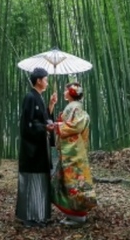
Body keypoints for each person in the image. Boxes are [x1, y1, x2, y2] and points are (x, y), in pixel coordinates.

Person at [16, 67, 57, 227]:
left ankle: (39, 216)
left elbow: (43, 118)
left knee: (39, 181)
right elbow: (28, 124)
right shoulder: (30, 97)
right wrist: (44, 128)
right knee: (32, 181)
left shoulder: (38, 97)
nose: (47, 82)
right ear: (39, 80)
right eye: (46, 79)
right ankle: (30, 218)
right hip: (31, 150)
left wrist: (51, 106)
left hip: (40, 148)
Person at [52, 82, 96, 227]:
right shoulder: (74, 106)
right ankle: (72, 214)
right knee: (69, 183)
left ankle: (78, 217)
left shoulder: (74, 107)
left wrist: (57, 125)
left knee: (74, 183)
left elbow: (76, 126)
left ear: (71, 92)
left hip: (73, 153)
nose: (64, 92)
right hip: (72, 152)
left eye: (66, 90)